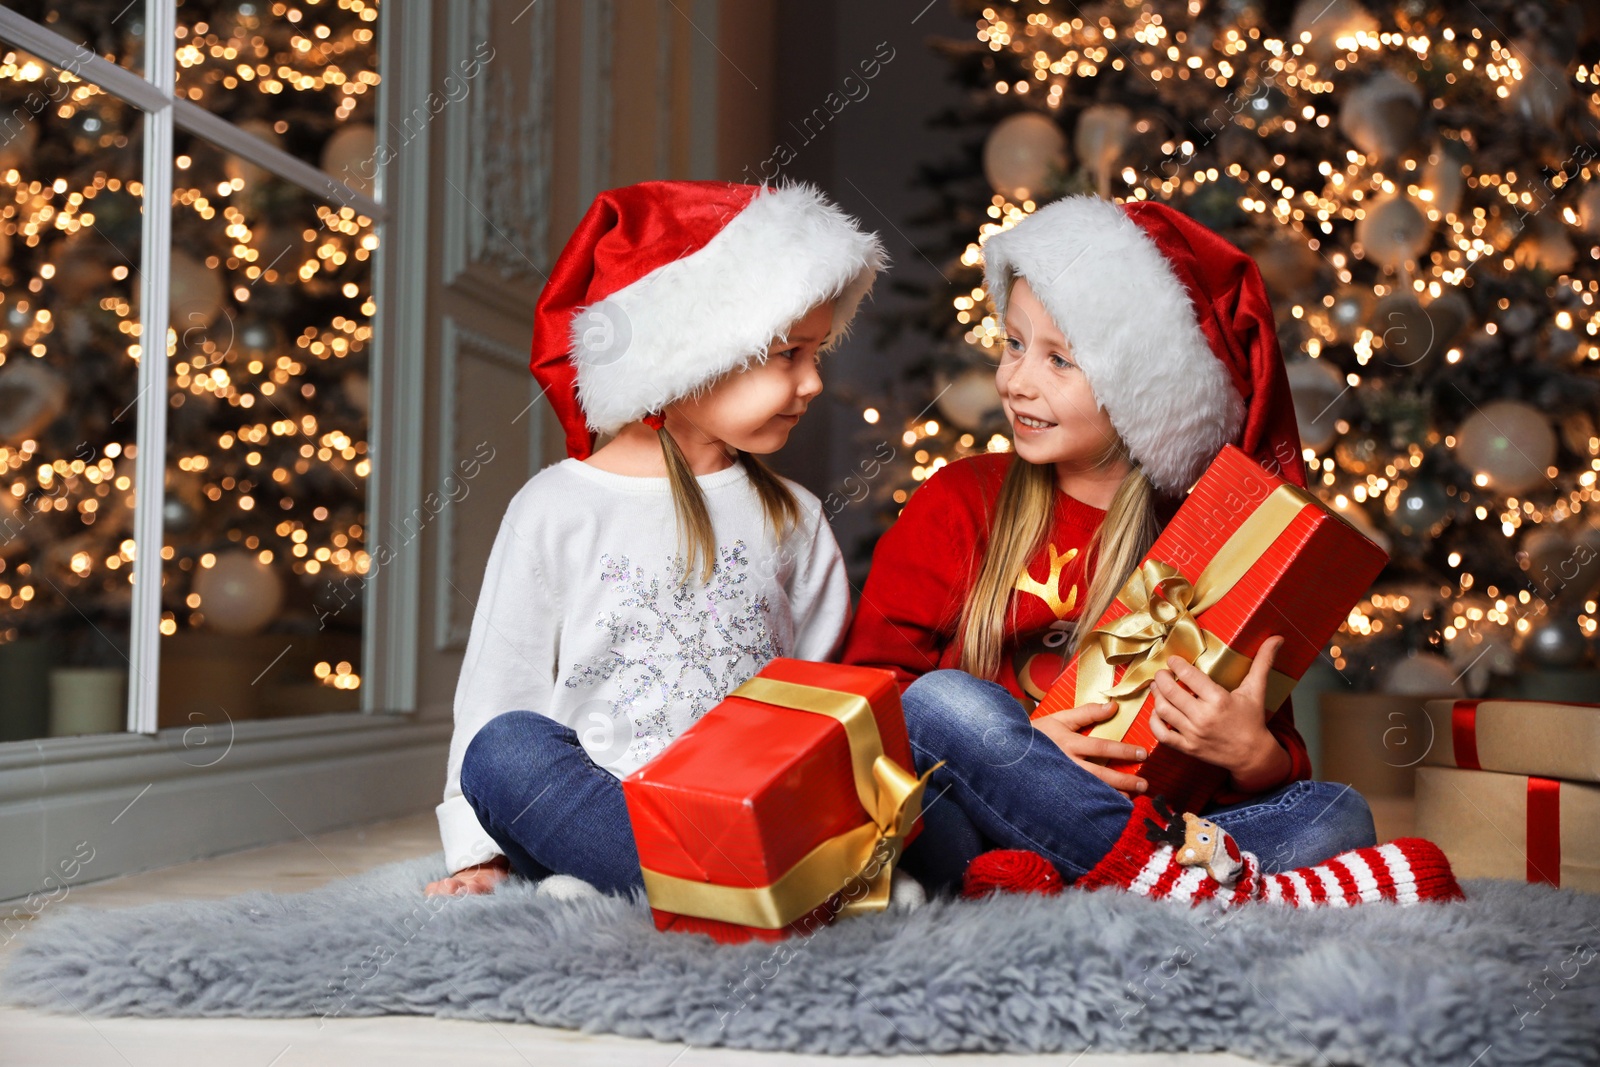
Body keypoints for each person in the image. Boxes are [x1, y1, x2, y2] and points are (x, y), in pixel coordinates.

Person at [841, 194, 1376, 896]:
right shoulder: (959, 501)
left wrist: (1254, 753)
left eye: (1059, 359)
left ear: (1141, 390)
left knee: (1337, 813)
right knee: (941, 703)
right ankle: (1156, 882)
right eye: (1013, 343)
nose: (1016, 379)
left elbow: (1272, 744)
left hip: (1155, 821)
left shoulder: (1209, 542)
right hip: (977, 818)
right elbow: (872, 705)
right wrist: (1027, 757)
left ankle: (1083, 881)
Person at [424, 180, 887, 899]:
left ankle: (654, 891)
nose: (813, 382)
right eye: (789, 353)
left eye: (817, 352)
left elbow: (823, 694)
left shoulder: (792, 514)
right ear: (686, 357)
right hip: (606, 805)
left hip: (752, 814)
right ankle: (678, 883)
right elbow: (499, 686)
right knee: (504, 750)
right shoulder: (556, 507)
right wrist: (479, 857)